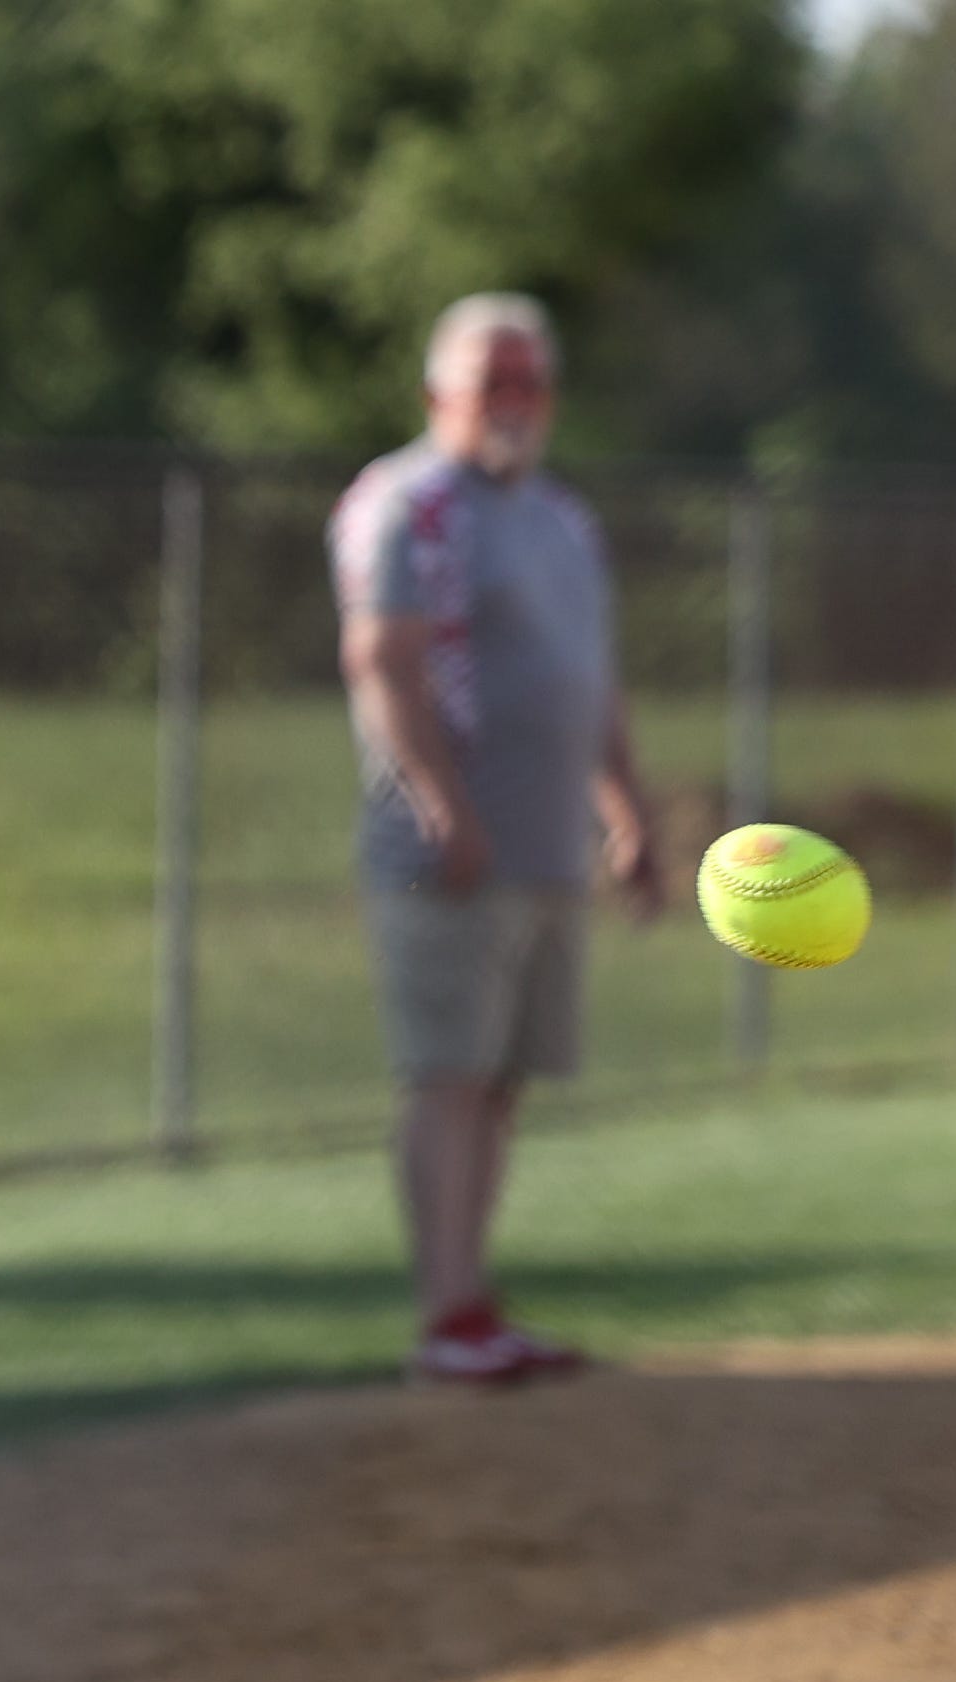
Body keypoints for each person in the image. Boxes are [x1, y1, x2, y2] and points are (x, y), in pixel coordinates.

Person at [330, 291, 664, 1387]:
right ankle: (443, 1310)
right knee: (448, 1071)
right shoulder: (410, 504)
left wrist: (625, 808)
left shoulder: (562, 518)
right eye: (492, 383)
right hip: (451, 851)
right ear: (440, 396)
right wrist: (439, 802)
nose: (513, 403)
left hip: (544, 846)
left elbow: (589, 678)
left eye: (529, 381)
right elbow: (384, 657)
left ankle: (473, 1301)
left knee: (503, 1076)